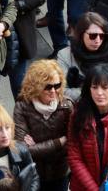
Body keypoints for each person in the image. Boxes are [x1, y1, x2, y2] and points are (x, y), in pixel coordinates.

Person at [12, 60, 73, 191]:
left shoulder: (66, 106)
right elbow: (23, 150)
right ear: (36, 86)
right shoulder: (22, 106)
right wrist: (59, 142)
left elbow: (72, 142)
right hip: (35, 172)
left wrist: (37, 146)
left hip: (60, 172)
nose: (53, 91)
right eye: (47, 87)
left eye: (57, 85)